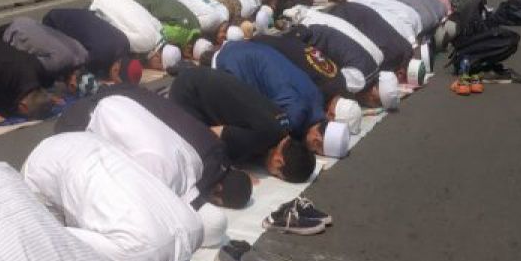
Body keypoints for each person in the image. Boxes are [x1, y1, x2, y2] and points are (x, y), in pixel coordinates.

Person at [23, 132, 204, 261]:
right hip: (46, 165)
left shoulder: (196, 229)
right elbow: (57, 238)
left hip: (91, 143)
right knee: (44, 256)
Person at [56, 86, 252, 209]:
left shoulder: (217, 147)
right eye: (215, 201)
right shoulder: (189, 176)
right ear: (217, 189)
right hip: (80, 118)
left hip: (127, 92)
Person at [169, 66, 316, 182]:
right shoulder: (260, 138)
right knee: (192, 151)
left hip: (202, 76)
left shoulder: (284, 124)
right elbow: (209, 134)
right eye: (277, 175)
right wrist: (230, 172)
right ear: (278, 162)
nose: (273, 174)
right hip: (187, 92)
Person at [212, 40, 351, 158]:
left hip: (247, 48)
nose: (311, 150)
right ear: (316, 141)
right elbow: (264, 132)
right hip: (233, 62)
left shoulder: (318, 99)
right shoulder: (295, 116)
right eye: (315, 150)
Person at [43, 7, 143, 85]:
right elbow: (80, 75)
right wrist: (98, 82)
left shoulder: (125, 44)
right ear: (116, 70)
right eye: (117, 81)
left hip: (75, 15)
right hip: (53, 23)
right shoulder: (100, 56)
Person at [0, 16, 91, 90]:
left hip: (25, 22)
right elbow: (30, 65)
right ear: (72, 85)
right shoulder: (57, 64)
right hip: (11, 34)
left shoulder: (84, 54)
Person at [89, 0, 169, 66]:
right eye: (159, 65)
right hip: (107, 8)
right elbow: (121, 37)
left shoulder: (160, 30)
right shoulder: (147, 42)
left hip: (115, 2)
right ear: (158, 56)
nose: (159, 68)